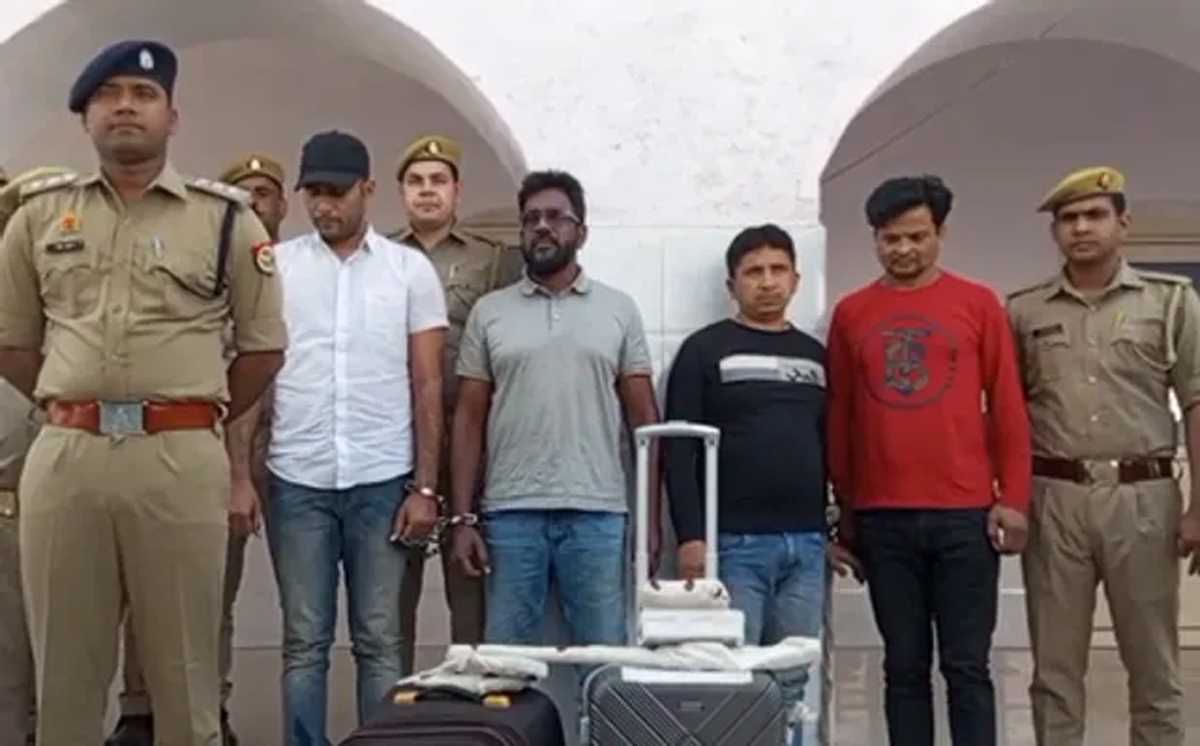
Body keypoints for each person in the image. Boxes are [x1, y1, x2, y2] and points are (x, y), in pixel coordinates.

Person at [0, 39, 286, 746]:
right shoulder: (37, 217)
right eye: (109, 94)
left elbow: (262, 348)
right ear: (85, 117)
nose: (125, 106)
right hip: (68, 458)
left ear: (172, 117)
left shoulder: (226, 220)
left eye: (144, 94)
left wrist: (192, 411)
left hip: (178, 459)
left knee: (185, 677)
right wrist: (75, 401)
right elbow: (11, 342)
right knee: (65, 677)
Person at [826, 175, 1031, 746]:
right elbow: (841, 415)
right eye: (890, 238)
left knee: (967, 667)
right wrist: (846, 509)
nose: (903, 249)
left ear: (940, 233)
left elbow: (1008, 405)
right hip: (883, 518)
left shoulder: (978, 303)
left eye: (916, 236)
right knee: (903, 667)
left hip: (966, 516)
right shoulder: (851, 313)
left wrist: (1014, 498)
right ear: (875, 238)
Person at [1008, 166, 1200, 746]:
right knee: (1054, 671)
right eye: (1068, 218)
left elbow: (1196, 402)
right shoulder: (1024, 311)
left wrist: (1198, 507)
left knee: (1153, 664)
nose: (1081, 228)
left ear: (1124, 223)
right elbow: (1008, 415)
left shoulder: (1171, 301)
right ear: (1055, 232)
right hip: (1054, 497)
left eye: (1095, 215)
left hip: (1142, 498)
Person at [265, 130, 445, 746]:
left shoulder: (409, 271)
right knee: (303, 642)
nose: (324, 206)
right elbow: (257, 373)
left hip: (382, 479)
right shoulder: (279, 267)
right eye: (313, 192)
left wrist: (425, 488)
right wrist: (241, 474)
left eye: (336, 192)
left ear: (367, 189)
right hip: (298, 479)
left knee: (380, 641)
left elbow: (427, 384)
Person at [106, 153, 289, 746]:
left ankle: (213, 708)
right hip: (211, 451)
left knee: (284, 610)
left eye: (265, 192)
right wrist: (235, 472)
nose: (255, 203)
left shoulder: (300, 270)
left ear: (283, 204)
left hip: (296, 457)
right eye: (244, 193)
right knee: (189, 592)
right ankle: (162, 710)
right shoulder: (206, 275)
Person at [449, 169, 661, 647]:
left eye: (556, 217)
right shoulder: (489, 312)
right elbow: (468, 419)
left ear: (581, 233)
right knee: (505, 664)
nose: (542, 227)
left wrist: (648, 520)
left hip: (598, 514)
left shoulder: (619, 309)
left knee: (604, 660)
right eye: (531, 219)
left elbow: (645, 422)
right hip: (511, 513)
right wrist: (463, 518)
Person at [665, 223, 827, 746]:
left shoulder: (816, 356)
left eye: (778, 270)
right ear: (732, 284)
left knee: (793, 681)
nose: (767, 281)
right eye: (754, 272)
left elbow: (833, 444)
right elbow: (678, 451)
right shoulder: (703, 350)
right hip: (733, 547)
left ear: (796, 279)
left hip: (806, 546)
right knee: (734, 681)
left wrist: (838, 526)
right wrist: (691, 537)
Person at [389, 135, 521, 673]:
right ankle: (396, 697)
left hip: (468, 438)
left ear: (457, 191)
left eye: (438, 181)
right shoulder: (383, 257)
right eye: (416, 182)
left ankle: (471, 693)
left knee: (468, 580)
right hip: (398, 440)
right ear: (401, 193)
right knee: (393, 589)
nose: (427, 191)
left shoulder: (492, 261)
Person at [0, 166, 72, 746]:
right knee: (9, 667)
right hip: (7, 506)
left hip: (70, 495)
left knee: (68, 657)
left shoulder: (82, 302)